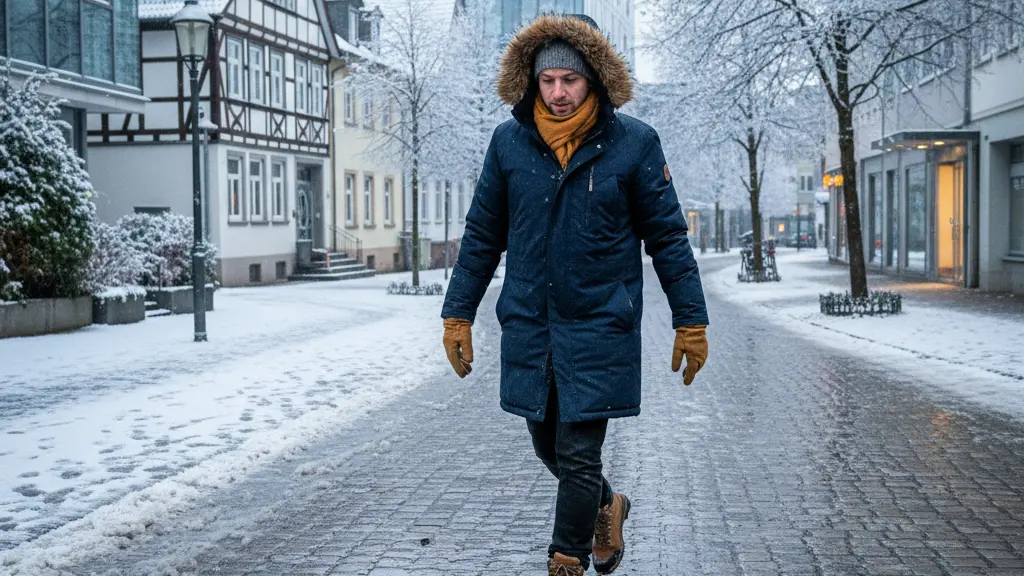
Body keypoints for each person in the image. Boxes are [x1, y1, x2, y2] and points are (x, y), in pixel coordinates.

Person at [440, 13, 709, 575]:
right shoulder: (509, 144)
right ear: (532, 82)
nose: (558, 93)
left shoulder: (633, 144)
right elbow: (483, 234)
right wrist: (457, 313)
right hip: (531, 327)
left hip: (599, 325)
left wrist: (691, 321)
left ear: (594, 79)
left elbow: (667, 238)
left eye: (570, 80)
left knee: (578, 454)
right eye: (548, 81)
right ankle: (609, 506)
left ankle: (568, 556)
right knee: (548, 448)